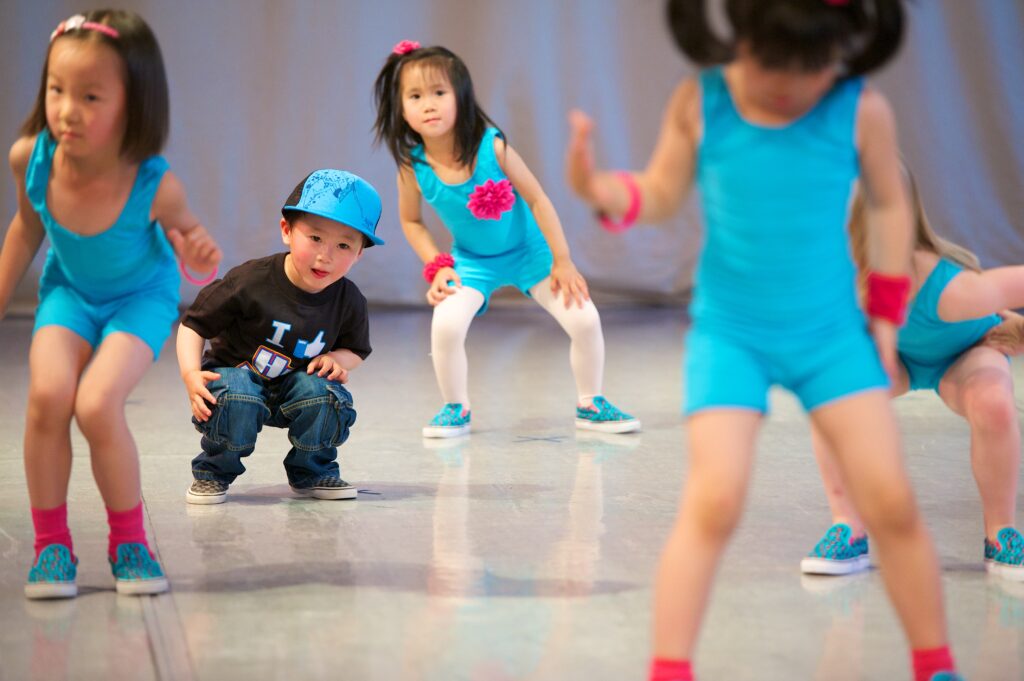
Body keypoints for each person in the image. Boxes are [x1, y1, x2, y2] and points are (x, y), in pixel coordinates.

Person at [565, 1, 961, 679]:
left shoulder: (859, 109)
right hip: (732, 335)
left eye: (810, 66)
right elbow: (660, 191)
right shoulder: (703, 100)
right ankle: (670, 668)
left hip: (831, 334)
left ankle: (936, 664)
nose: (788, 83)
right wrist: (601, 187)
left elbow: (891, 205)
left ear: (841, 47)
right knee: (714, 498)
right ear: (738, 36)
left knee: (890, 499)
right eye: (770, 61)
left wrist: (888, 316)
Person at [0, 10, 221, 599]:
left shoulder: (153, 182)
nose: (68, 110)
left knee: (97, 404)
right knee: (48, 397)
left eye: (91, 96)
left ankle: (130, 542)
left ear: (134, 103)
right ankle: (52, 548)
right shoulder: (33, 158)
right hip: (69, 294)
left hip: (140, 299)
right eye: (56, 90)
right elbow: (26, 229)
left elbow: (191, 248)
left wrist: (198, 254)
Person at [372, 41, 639, 438]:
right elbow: (411, 221)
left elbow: (538, 199)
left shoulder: (491, 146)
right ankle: (455, 407)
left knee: (585, 319)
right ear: (401, 108)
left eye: (439, 93)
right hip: (472, 261)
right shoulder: (413, 165)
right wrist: (438, 266)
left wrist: (562, 260)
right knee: (445, 325)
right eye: (415, 96)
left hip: (531, 253)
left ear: (461, 98)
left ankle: (591, 402)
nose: (428, 104)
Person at [803, 166, 1024, 581]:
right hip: (898, 356)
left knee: (994, 403)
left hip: (965, 353)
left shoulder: (952, 288)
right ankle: (847, 527)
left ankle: (1002, 532)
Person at [176, 169, 382, 505]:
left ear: (359, 254)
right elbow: (193, 325)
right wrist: (190, 374)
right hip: (237, 381)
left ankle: (312, 471)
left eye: (343, 245)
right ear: (286, 230)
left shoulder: (348, 299)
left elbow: (356, 349)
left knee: (327, 394)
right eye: (315, 238)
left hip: (294, 389)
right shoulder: (249, 281)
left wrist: (337, 360)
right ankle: (214, 472)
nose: (325, 255)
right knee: (237, 396)